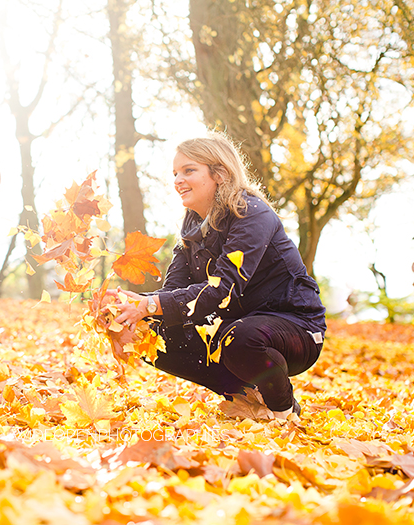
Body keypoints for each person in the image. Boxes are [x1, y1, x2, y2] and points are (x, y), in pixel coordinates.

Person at [111, 131, 325, 419]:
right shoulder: (190, 231)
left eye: (189, 170)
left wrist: (147, 305)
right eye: (175, 173)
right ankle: (247, 398)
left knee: (240, 339)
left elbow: (222, 290)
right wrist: (127, 307)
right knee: (148, 333)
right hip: (234, 328)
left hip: (294, 329)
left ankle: (284, 411)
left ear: (220, 173)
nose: (177, 180)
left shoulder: (251, 214)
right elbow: (172, 294)